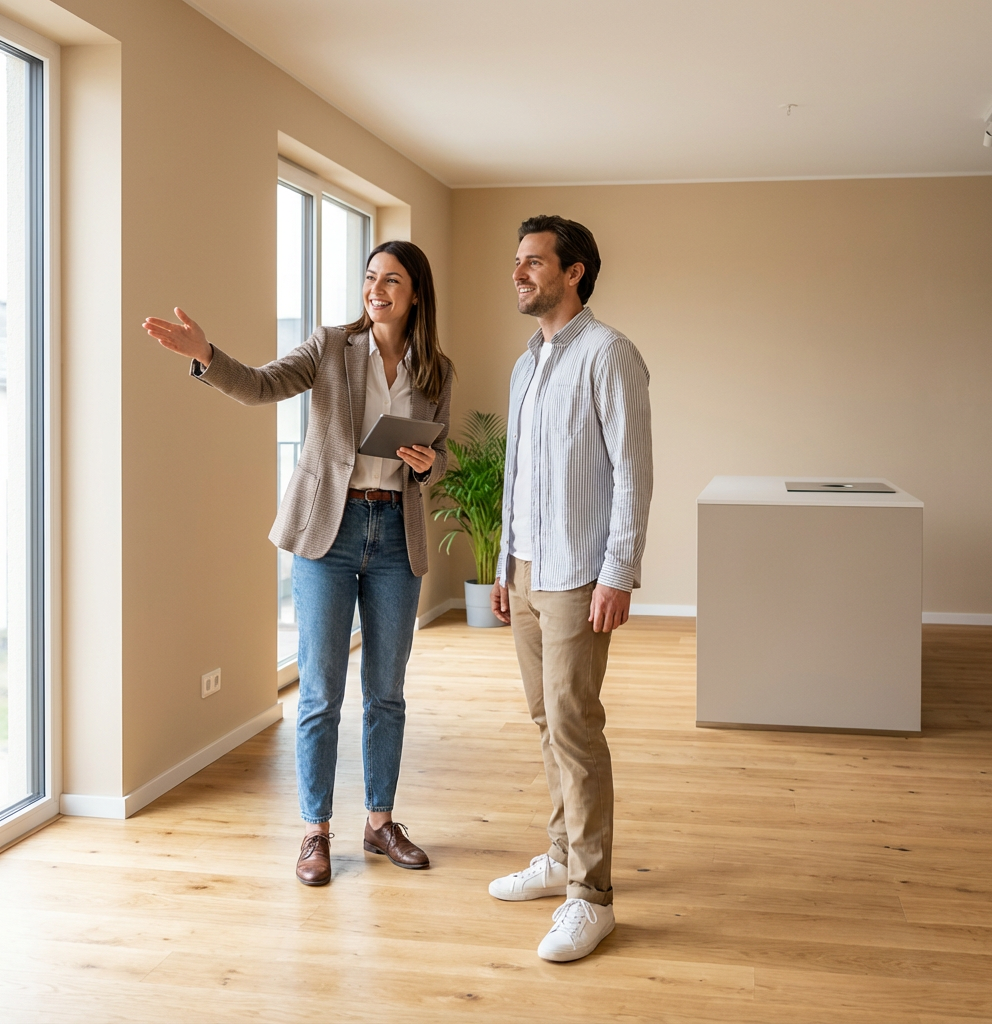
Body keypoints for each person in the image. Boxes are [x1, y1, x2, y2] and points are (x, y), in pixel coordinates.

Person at [143, 240, 453, 886]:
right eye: (370, 278)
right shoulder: (331, 345)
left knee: (387, 693)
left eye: (392, 281)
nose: (377, 290)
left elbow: (440, 451)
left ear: (415, 293)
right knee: (320, 693)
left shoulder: (435, 370)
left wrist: (430, 463)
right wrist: (204, 355)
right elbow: (261, 385)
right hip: (328, 535)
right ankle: (315, 832)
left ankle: (380, 822)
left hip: (398, 532)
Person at [488, 215, 653, 961]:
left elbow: (631, 475)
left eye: (533, 262)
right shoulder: (528, 364)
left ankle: (593, 896)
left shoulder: (610, 355)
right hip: (526, 569)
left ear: (574, 271)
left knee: (575, 726)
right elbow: (518, 477)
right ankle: (559, 858)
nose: (519, 272)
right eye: (517, 262)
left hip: (579, 572)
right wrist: (501, 565)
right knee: (544, 720)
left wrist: (617, 573)